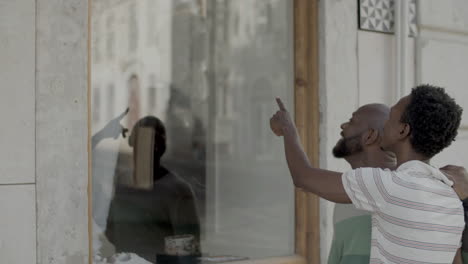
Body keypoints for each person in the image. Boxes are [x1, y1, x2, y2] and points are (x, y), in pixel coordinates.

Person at [270, 84, 464, 263]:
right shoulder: (452, 199)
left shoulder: (389, 186)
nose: (385, 125)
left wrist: (288, 128)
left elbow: (303, 177)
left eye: (390, 118)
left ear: (403, 130)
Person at [105, 116, 201, 263]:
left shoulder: (177, 191)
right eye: (138, 143)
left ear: (159, 148)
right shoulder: (124, 183)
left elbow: (186, 254)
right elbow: (111, 229)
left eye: (148, 144)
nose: (144, 151)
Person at [327, 104, 396, 264]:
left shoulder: (394, 193)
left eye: (352, 121)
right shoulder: (348, 191)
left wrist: (288, 131)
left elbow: (302, 176)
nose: (343, 126)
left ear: (370, 136)